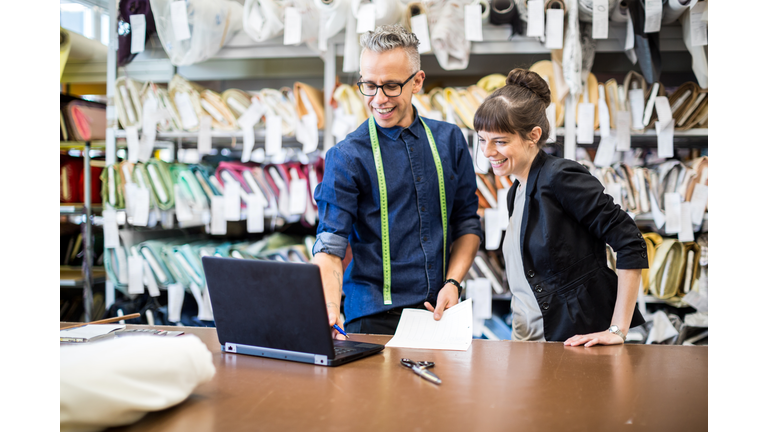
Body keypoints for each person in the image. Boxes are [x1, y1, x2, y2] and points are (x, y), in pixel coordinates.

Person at [312, 25, 482, 338]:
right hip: (373, 318)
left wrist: (453, 282)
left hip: (441, 313)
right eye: (368, 85)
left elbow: (467, 224)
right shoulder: (347, 155)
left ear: (417, 81)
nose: (378, 99)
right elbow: (330, 245)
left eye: (391, 86)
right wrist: (330, 308)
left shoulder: (449, 140)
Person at [474, 68, 647, 346]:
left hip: (570, 342)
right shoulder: (515, 191)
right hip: (527, 342)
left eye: (500, 141)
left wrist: (617, 329)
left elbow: (630, 240)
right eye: (482, 140)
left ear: (533, 135)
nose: (487, 151)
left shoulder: (560, 177)